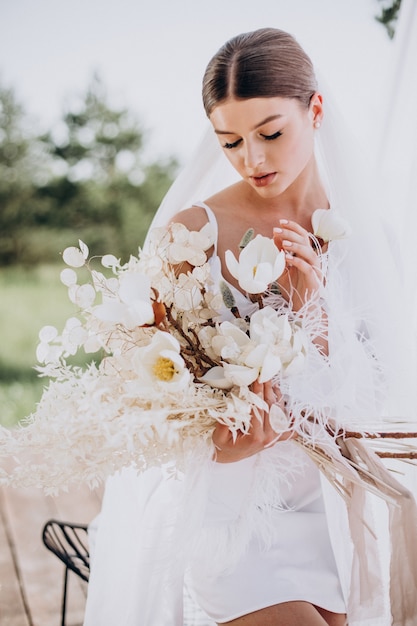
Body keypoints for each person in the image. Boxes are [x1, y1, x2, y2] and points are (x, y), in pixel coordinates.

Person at [84, 28, 417, 626]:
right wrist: (225, 444)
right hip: (233, 512)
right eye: (230, 140)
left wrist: (311, 308)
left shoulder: (371, 237)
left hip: (335, 514)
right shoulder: (193, 233)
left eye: (270, 134)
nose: (251, 159)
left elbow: (382, 391)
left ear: (314, 111)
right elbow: (157, 395)